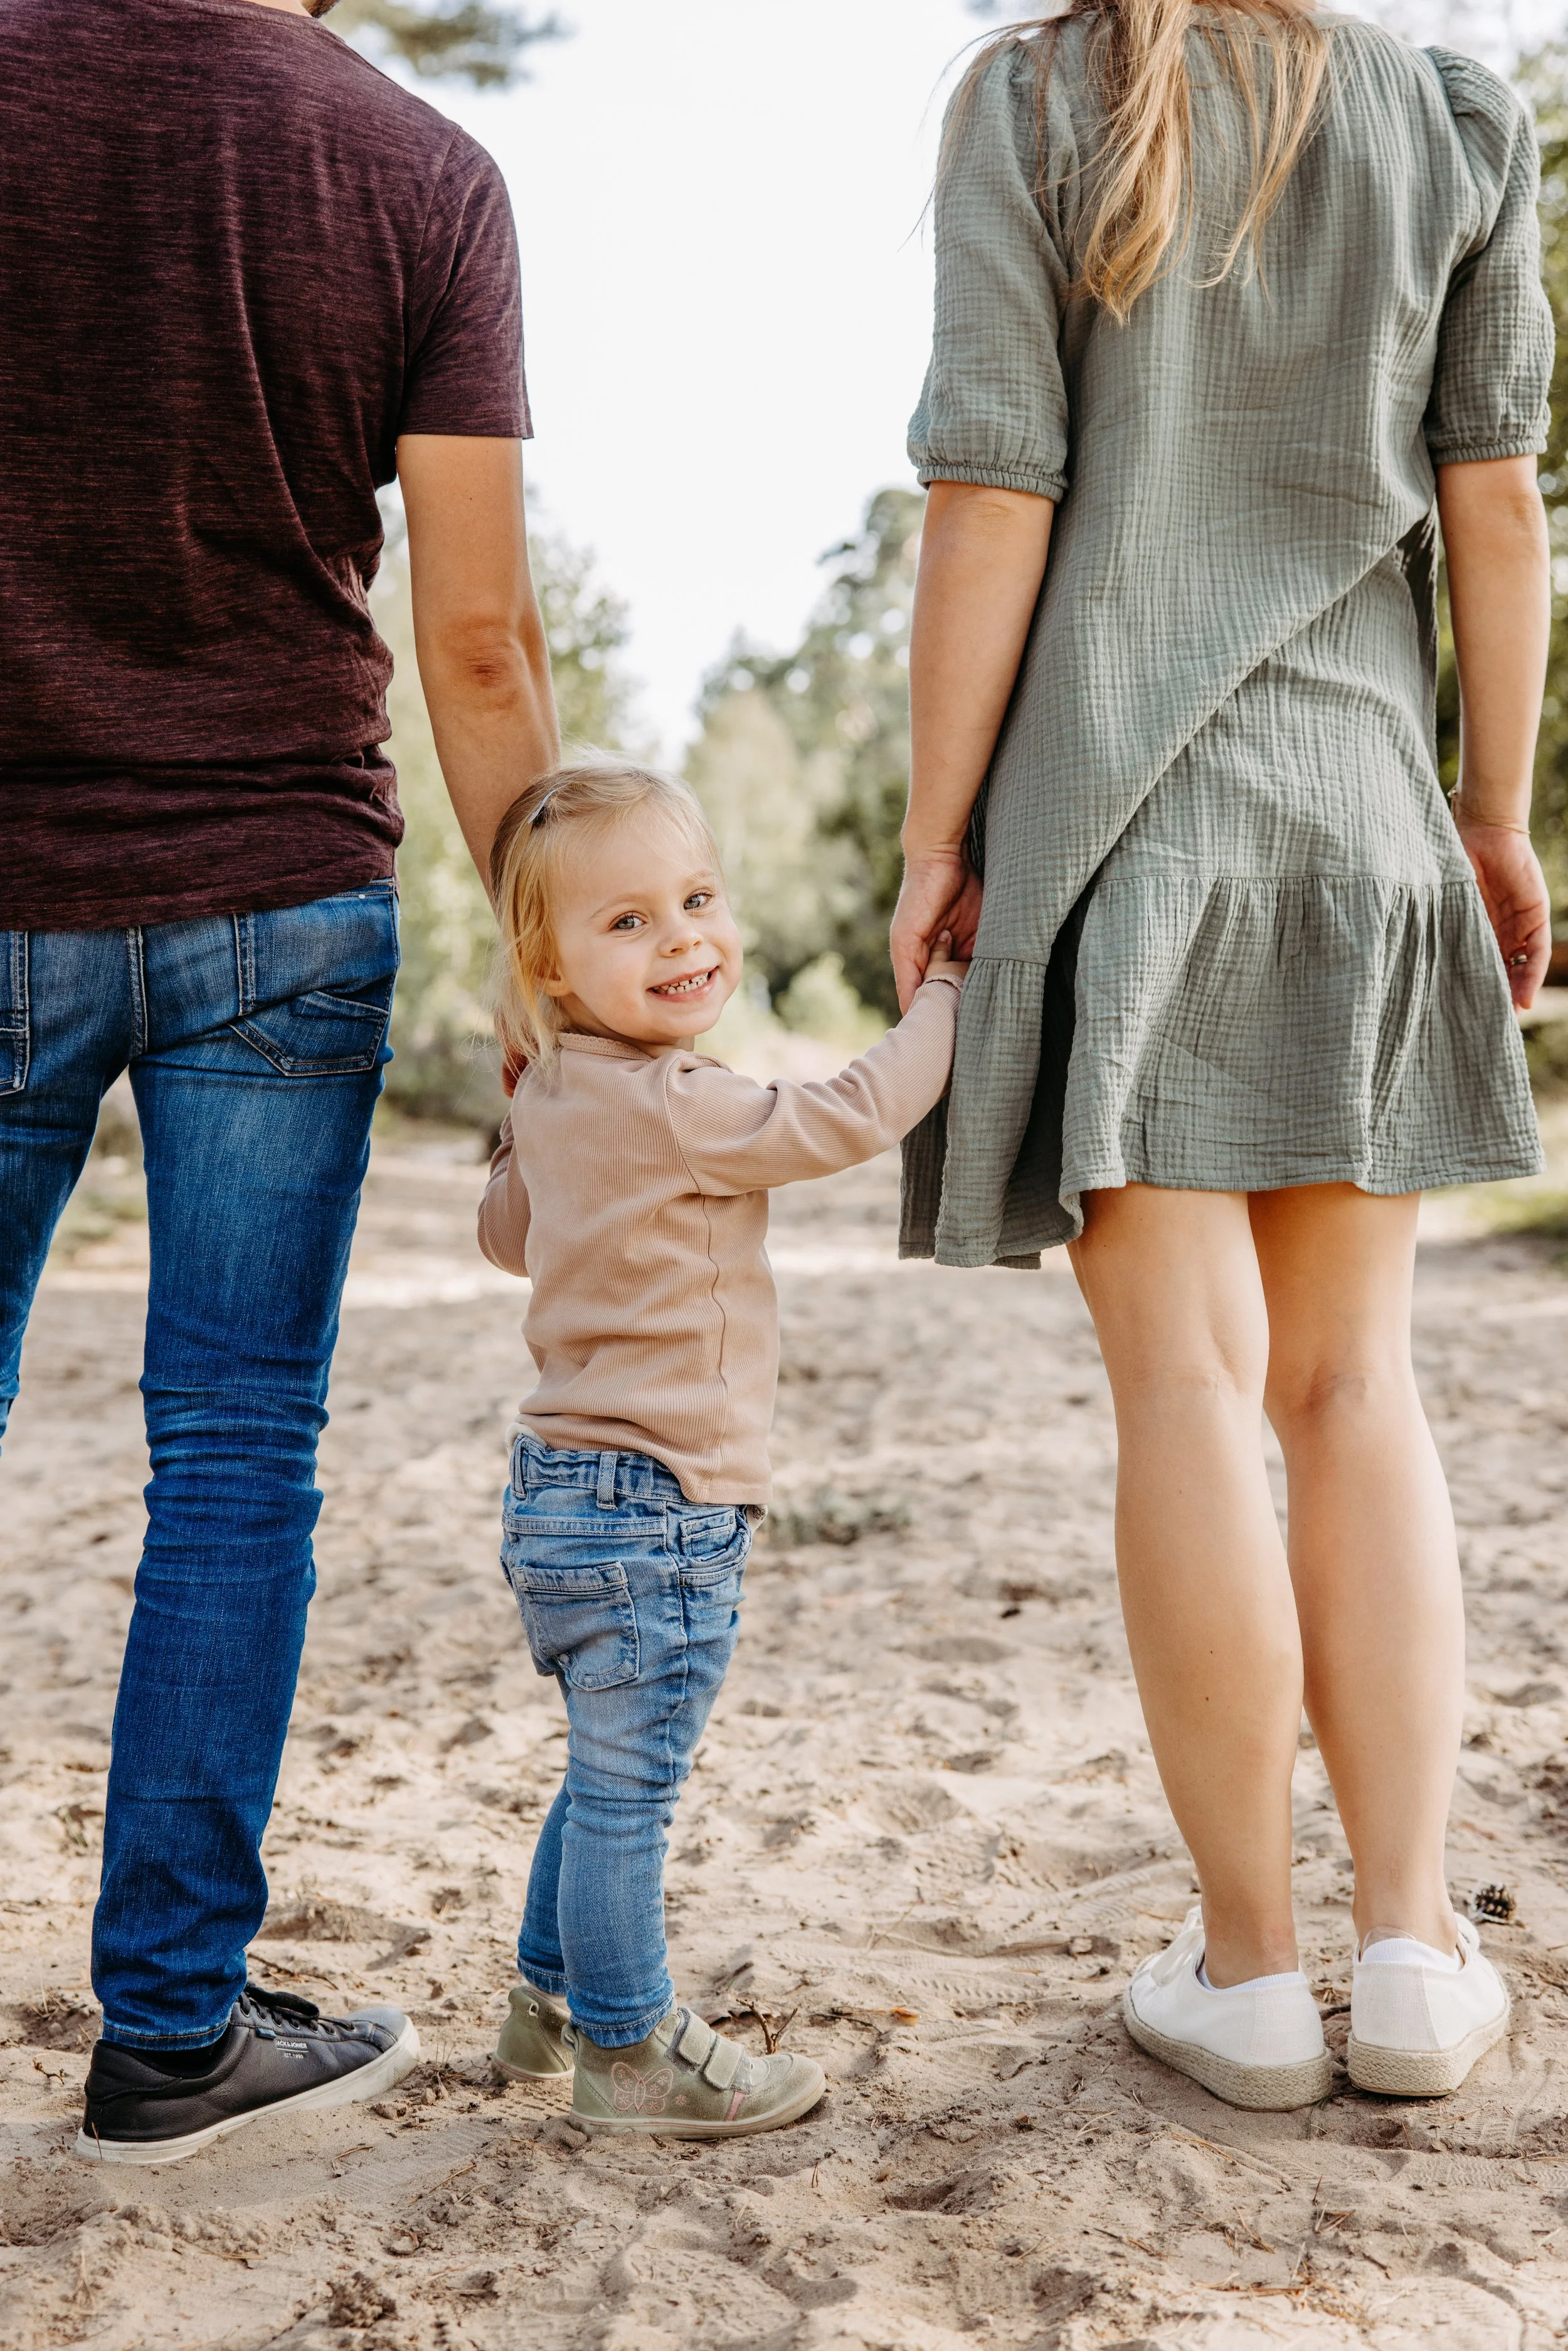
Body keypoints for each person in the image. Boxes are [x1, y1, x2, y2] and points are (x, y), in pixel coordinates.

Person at [893, 0, 1552, 2108]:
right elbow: (1499, 501)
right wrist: (1494, 807)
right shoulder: (1450, 111)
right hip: (1363, 805)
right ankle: (1417, 1946)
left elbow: (993, 490)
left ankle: (1254, 1974)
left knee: (1184, 1386)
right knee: (1359, 1385)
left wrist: (935, 834)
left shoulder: (1035, 96)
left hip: (1117, 820)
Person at [0, 0, 558, 2163]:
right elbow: (485, 642)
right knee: (234, 1460)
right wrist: (541, 942)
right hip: (280, 899)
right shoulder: (417, 171)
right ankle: (171, 2026)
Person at [475, 762, 963, 2136]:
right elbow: (851, 1114)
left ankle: (547, 1999)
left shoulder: (556, 1093)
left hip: (556, 1497)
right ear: (549, 963)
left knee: (600, 1761)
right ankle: (628, 2050)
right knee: (632, 1783)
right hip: (659, 1501)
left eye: (695, 898)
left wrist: (521, 1132)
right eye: (625, 921)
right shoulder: (669, 1099)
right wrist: (945, 999)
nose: (683, 936)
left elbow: (507, 1237)